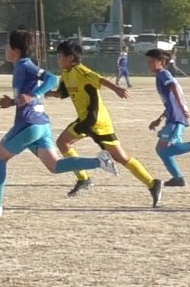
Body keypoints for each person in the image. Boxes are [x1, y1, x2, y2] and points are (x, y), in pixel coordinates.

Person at [0, 30, 117, 218]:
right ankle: (99, 161)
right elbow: (26, 96)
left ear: (15, 50)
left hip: (29, 124)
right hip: (41, 126)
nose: (4, 48)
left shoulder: (25, 65)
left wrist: (32, 95)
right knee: (55, 166)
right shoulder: (21, 66)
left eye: (7, 45)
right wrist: (13, 102)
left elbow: (52, 79)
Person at [53, 40, 164, 207]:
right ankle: (152, 183)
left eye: (59, 55)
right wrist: (41, 92)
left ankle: (84, 178)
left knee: (63, 142)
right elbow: (62, 93)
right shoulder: (66, 73)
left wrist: (117, 89)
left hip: (95, 121)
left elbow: (101, 80)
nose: (57, 59)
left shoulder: (81, 71)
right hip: (87, 120)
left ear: (70, 58)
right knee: (119, 157)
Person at [145, 49, 190, 187]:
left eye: (152, 61)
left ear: (162, 62)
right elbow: (170, 101)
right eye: (149, 61)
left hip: (176, 117)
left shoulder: (163, 73)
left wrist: (182, 108)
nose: (150, 64)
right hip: (173, 116)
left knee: (162, 150)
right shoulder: (160, 75)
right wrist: (159, 118)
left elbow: (174, 87)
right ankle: (178, 178)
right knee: (162, 150)